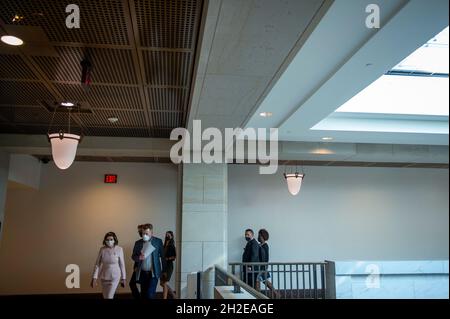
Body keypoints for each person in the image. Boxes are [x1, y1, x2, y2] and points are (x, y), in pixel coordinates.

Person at [132, 223, 164, 299]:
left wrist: (164, 270)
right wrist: (139, 257)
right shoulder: (138, 243)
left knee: (150, 294)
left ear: (151, 233)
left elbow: (163, 257)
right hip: (142, 272)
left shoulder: (158, 242)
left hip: (154, 273)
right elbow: (133, 256)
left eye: (147, 233)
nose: (144, 235)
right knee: (143, 294)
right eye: (143, 233)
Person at [91, 232, 126, 299]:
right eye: (107, 240)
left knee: (109, 296)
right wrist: (94, 278)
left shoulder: (119, 249)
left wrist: (123, 278)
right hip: (104, 276)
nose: (109, 241)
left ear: (114, 240)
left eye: (111, 239)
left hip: (115, 276)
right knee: (105, 296)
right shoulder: (102, 249)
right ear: (105, 240)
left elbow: (122, 264)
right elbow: (97, 264)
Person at [255, 229, 277, 298]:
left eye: (259, 235)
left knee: (257, 282)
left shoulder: (265, 246)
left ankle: (258, 296)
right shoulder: (260, 245)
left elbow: (265, 258)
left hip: (262, 267)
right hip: (260, 267)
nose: (258, 236)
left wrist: (263, 267)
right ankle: (276, 294)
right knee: (265, 281)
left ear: (262, 236)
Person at [160, 231, 177, 299]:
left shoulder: (173, 245)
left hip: (169, 265)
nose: (167, 236)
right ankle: (173, 295)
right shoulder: (164, 245)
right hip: (164, 265)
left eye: (168, 235)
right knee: (161, 283)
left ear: (172, 236)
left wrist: (168, 258)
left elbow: (175, 256)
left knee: (165, 283)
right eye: (166, 235)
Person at [129, 224, 144, 299]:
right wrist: (136, 265)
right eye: (138, 231)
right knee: (132, 283)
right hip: (138, 267)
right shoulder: (137, 243)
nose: (139, 232)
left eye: (140, 230)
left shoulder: (152, 242)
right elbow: (134, 255)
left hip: (147, 269)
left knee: (143, 286)